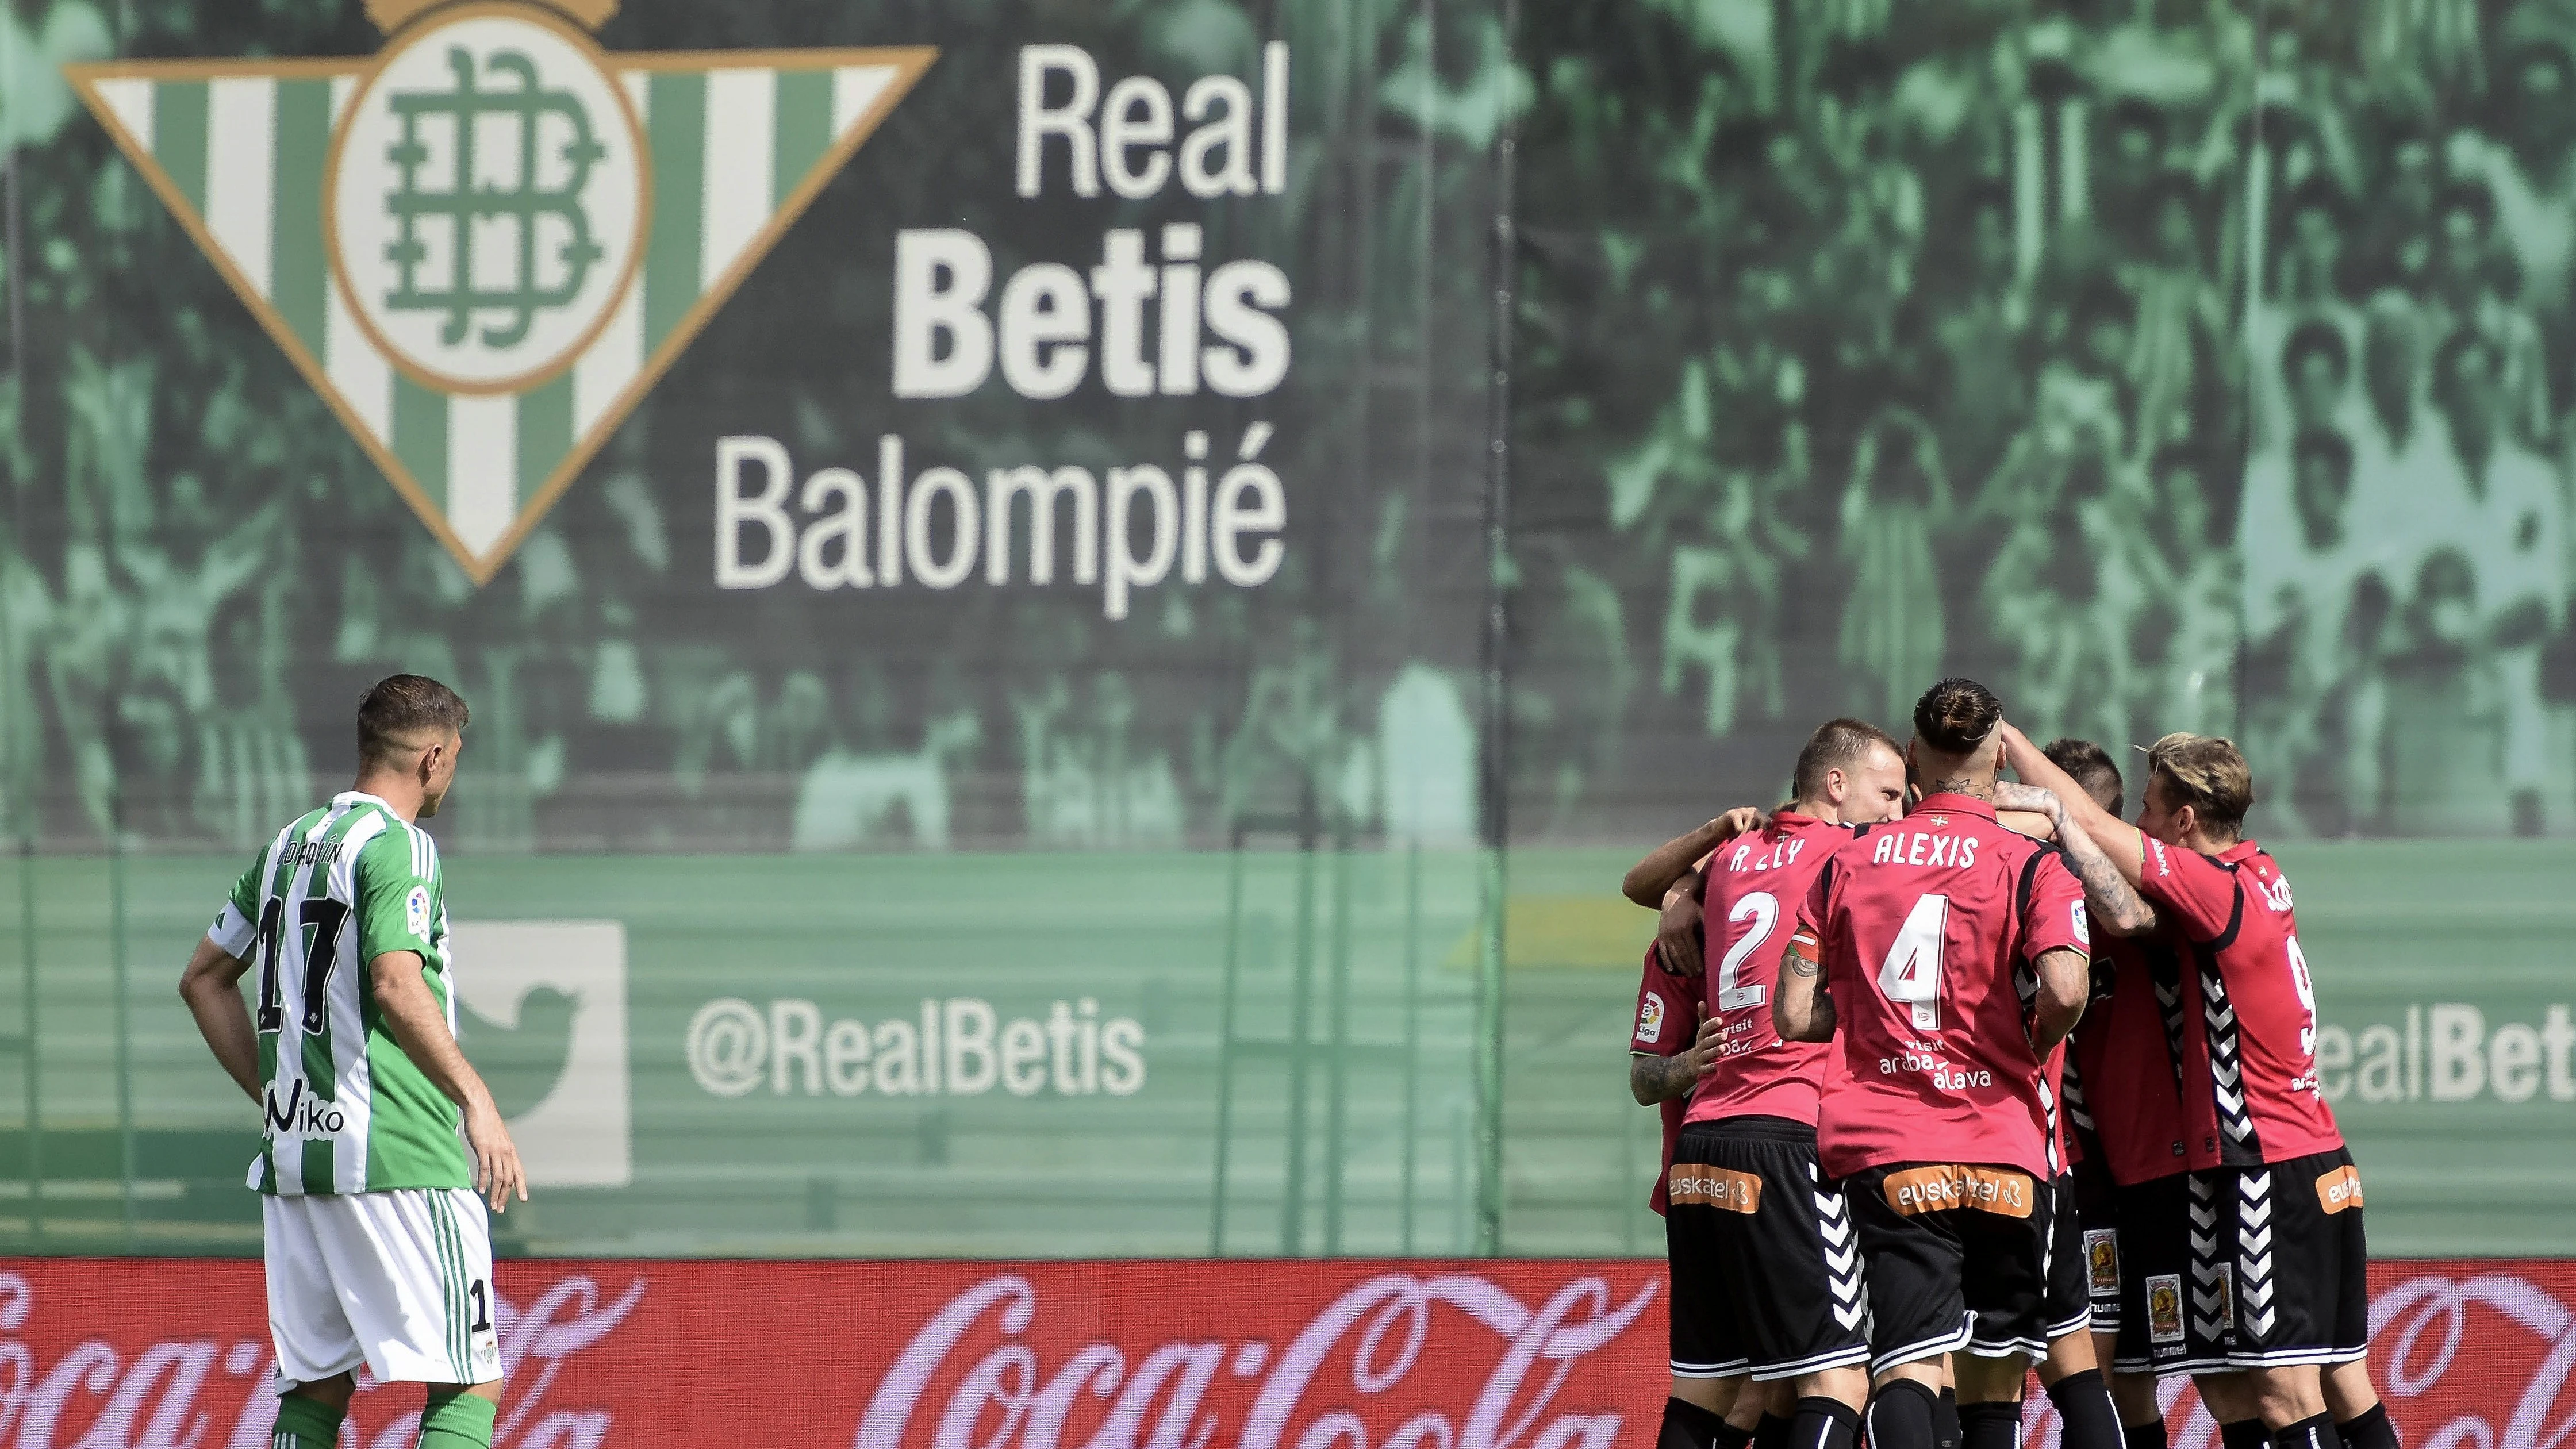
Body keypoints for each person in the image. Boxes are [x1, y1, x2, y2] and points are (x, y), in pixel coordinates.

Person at [2002, 728, 2397, 1449]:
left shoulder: (2210, 891)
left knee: (2283, 1390)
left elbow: (2092, 836)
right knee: (2256, 1381)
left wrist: (2003, 745)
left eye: (2146, 807)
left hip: (2261, 1169)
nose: (2137, 823)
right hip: (2301, 1159)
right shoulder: (2258, 873)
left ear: (2185, 818)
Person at [176, 675, 525, 1449]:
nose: (454, 775)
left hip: (298, 1162)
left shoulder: (285, 846)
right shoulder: (401, 846)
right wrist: (478, 1101)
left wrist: (280, 1097)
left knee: (318, 1386)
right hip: (399, 1154)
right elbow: (396, 981)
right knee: (469, 1379)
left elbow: (202, 979)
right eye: (457, 757)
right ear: (432, 757)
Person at [1774, 679, 2093, 1449]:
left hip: (1890, 1145)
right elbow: (2065, 988)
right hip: (2004, 1150)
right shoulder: (2033, 863)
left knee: (1907, 1367)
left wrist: (1862, 1017)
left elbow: (1792, 1015)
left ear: (1913, 757)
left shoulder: (1847, 860)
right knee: (1993, 1378)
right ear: (1998, 760)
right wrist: (2031, 1042)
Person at [1633, 720, 1910, 1449]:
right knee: (1841, 1380)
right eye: (1887, 794)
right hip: (1789, 1138)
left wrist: (1682, 887)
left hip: (1701, 1145)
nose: (1896, 813)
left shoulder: (1731, 860)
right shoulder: (1854, 855)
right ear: (1836, 784)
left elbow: (1640, 886)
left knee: (1718, 1389)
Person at [2001, 740, 2194, 1449]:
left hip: (2139, 1173)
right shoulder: (2015, 883)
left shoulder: (2140, 902)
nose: (2133, 834)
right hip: (2060, 1164)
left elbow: (2133, 920)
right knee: (2065, 1368)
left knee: (2124, 1378)